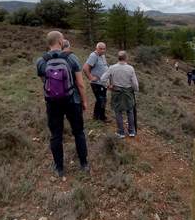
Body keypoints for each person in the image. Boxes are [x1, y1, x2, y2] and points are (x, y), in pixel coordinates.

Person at [36, 31, 89, 177]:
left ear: (48, 43)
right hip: (73, 101)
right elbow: (80, 84)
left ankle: (59, 168)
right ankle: (84, 164)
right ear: (60, 41)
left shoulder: (41, 61)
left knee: (56, 135)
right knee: (78, 132)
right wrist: (84, 101)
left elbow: (44, 82)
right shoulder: (72, 58)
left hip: (53, 103)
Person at [101, 51, 139, 138]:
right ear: (126, 58)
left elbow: (103, 79)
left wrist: (108, 86)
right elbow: (135, 84)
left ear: (118, 58)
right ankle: (131, 131)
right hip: (128, 92)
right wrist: (136, 90)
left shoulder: (112, 68)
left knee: (118, 111)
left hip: (116, 91)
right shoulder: (130, 68)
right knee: (130, 111)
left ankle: (121, 132)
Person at [83, 42, 109, 122]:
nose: (102, 50)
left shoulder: (102, 56)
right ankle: (99, 118)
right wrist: (91, 77)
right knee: (101, 99)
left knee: (102, 99)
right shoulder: (93, 56)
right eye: (100, 49)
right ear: (96, 48)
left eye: (104, 49)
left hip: (103, 82)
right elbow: (85, 68)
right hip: (96, 83)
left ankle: (99, 117)